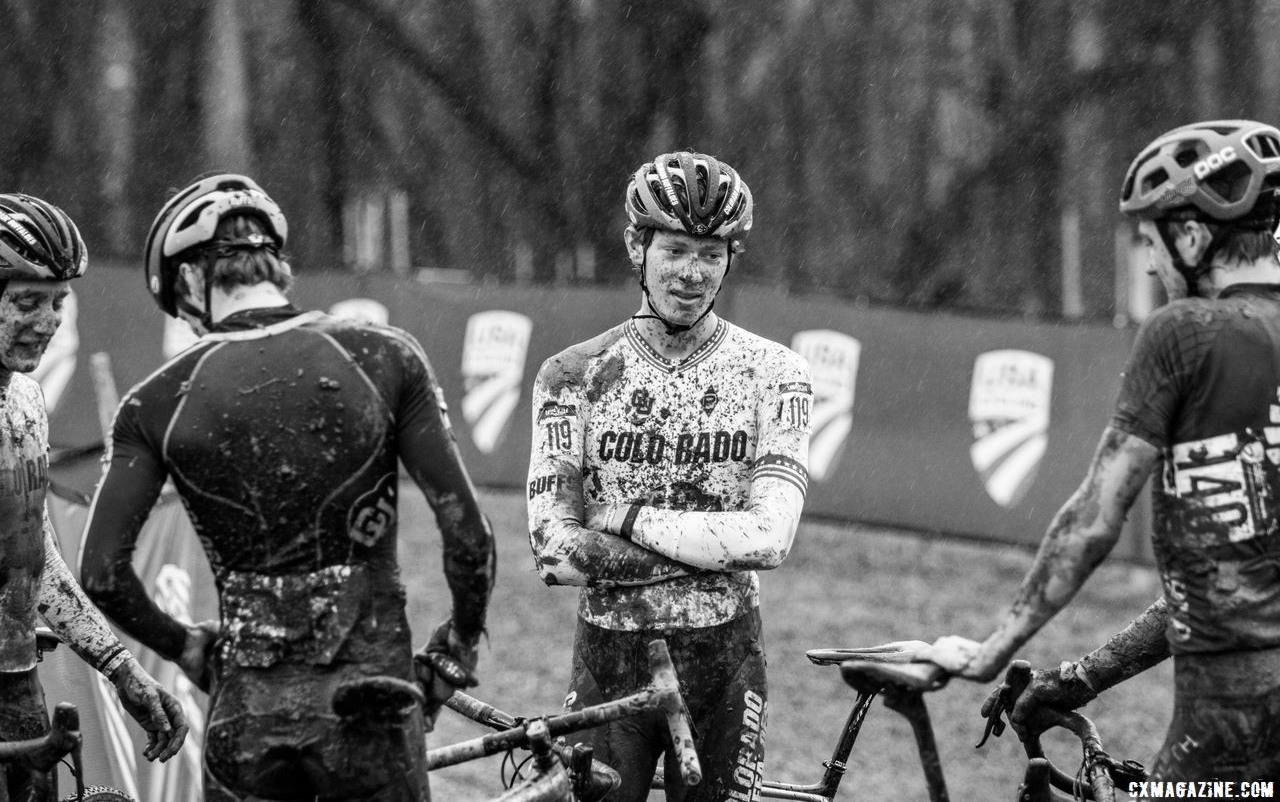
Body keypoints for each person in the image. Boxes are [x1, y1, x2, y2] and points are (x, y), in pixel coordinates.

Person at [79, 173, 496, 801]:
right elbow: (469, 537)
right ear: (277, 263)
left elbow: (102, 575)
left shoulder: (153, 403)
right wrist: (453, 653)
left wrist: (189, 648)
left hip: (246, 716)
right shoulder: (385, 356)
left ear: (192, 280)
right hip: (371, 708)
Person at [922, 120, 1280, 780]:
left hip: (1234, 713)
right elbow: (1228, 579)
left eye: (1151, 239)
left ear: (1194, 236)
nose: (1150, 260)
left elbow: (1093, 520)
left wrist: (993, 648)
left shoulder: (1186, 331)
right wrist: (1083, 678)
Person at [527, 151, 813, 800]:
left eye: (711, 254)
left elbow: (769, 538)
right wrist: (711, 548)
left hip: (726, 659)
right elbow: (555, 552)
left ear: (730, 259)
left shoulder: (776, 373)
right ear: (637, 244)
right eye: (676, 249)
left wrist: (627, 520)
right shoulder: (571, 376)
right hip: (610, 657)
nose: (691, 272)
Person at [0, 193, 188, 799]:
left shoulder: (25, 402)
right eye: (27, 302)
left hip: (17, 682)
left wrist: (122, 669)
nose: (49, 321)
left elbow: (37, 564)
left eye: (58, 302)